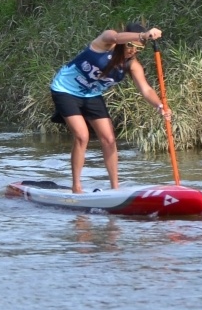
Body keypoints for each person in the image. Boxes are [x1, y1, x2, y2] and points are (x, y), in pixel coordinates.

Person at [49, 21, 170, 193]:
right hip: (65, 89)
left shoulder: (132, 65)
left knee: (109, 139)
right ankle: (76, 187)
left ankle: (115, 189)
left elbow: (146, 89)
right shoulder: (107, 41)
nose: (133, 51)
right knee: (82, 136)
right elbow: (115, 37)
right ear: (125, 40)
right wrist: (143, 36)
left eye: (138, 49)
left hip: (91, 95)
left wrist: (160, 105)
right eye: (131, 46)